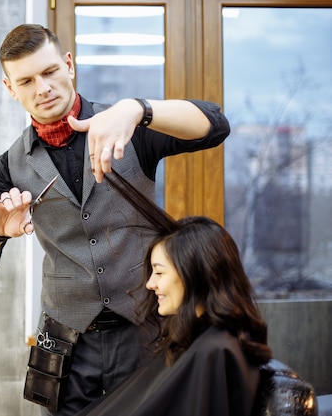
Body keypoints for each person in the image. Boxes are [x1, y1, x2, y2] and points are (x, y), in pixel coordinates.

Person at [0, 23, 231, 416]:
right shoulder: (10, 165)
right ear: (10, 88)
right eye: (26, 80)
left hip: (146, 332)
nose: (42, 87)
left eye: (49, 72)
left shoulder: (125, 126)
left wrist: (137, 109)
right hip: (68, 347)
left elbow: (215, 125)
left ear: (69, 65)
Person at [75, 171, 273, 416]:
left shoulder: (214, 352)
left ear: (195, 274)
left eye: (159, 273)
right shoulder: (208, 342)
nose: (149, 284)